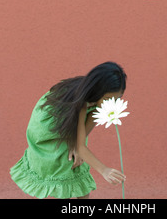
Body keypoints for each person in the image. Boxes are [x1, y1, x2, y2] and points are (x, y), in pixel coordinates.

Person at [10, 61, 127, 199]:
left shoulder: (99, 100)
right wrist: (104, 170)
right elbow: (81, 145)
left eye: (117, 98)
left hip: (71, 124)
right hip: (51, 129)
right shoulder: (80, 101)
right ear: (97, 90)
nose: (111, 103)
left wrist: (76, 145)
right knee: (66, 162)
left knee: (79, 159)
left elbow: (87, 128)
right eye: (108, 98)